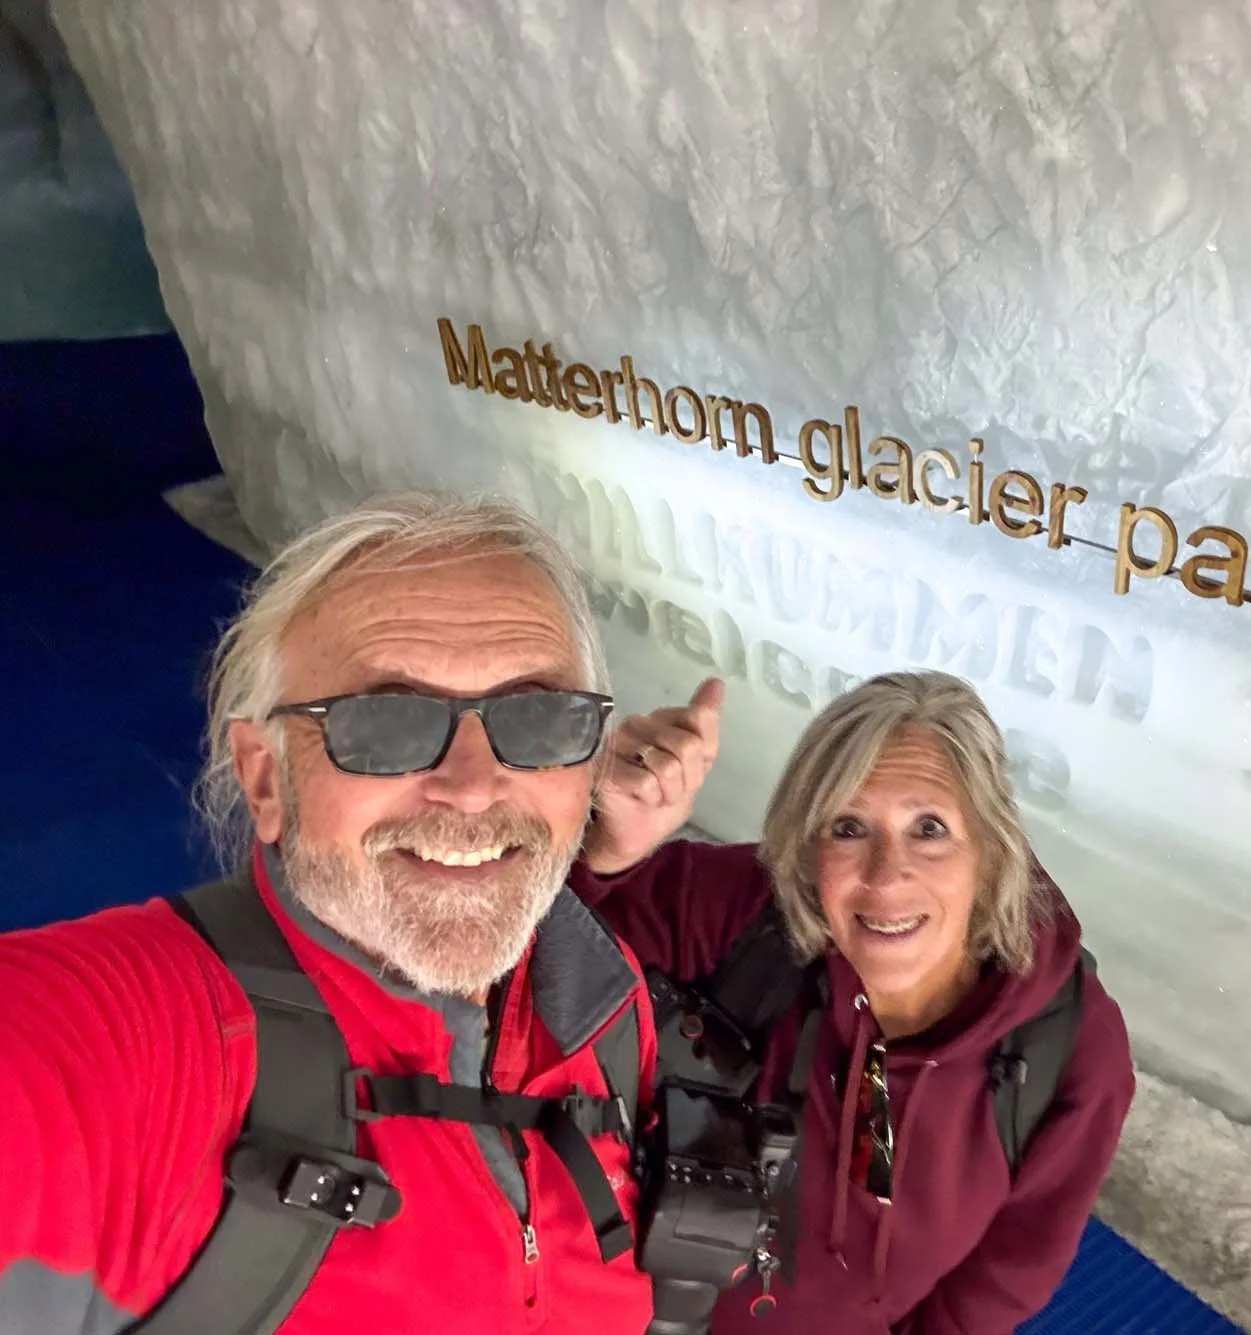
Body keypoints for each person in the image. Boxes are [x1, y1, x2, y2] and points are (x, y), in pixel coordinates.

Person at [0, 492, 711, 1334]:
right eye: (384, 723)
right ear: (266, 780)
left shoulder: (599, 1001)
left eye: (538, 715)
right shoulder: (127, 1045)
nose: (475, 786)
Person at [579, 670, 1136, 1335]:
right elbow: (532, 946)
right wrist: (602, 841)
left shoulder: (1067, 1050)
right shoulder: (748, 917)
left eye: (929, 827)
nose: (884, 875)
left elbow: (994, 1286)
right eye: (848, 827)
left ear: (990, 850)